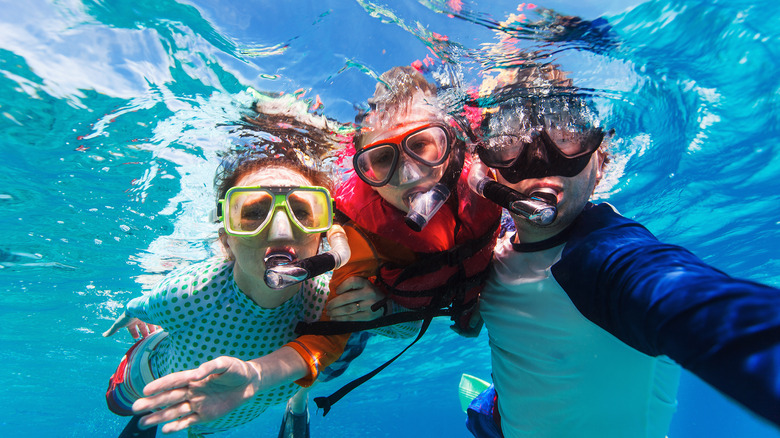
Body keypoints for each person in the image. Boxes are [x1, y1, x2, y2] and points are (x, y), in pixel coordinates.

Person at [128, 65, 504, 433]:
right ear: (363, 172)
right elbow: (324, 341)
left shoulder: (495, 177)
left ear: (450, 140)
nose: (410, 175)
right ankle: (298, 393)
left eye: (422, 145)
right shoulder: (359, 236)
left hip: (456, 304)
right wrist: (257, 376)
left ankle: (300, 391)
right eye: (383, 159)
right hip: (389, 314)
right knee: (335, 359)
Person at [464, 65, 780, 437]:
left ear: (600, 163)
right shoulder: (492, 248)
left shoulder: (604, 258)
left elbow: (697, 305)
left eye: (567, 132)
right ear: (490, 169)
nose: (540, 157)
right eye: (510, 139)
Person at [102, 97, 352, 437]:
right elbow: (144, 304)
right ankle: (159, 413)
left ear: (325, 231)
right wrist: (134, 311)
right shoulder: (192, 292)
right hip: (159, 376)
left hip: (243, 401)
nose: (281, 231)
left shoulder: (329, 297)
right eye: (252, 213)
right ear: (226, 237)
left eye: (302, 211)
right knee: (116, 403)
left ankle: (297, 398)